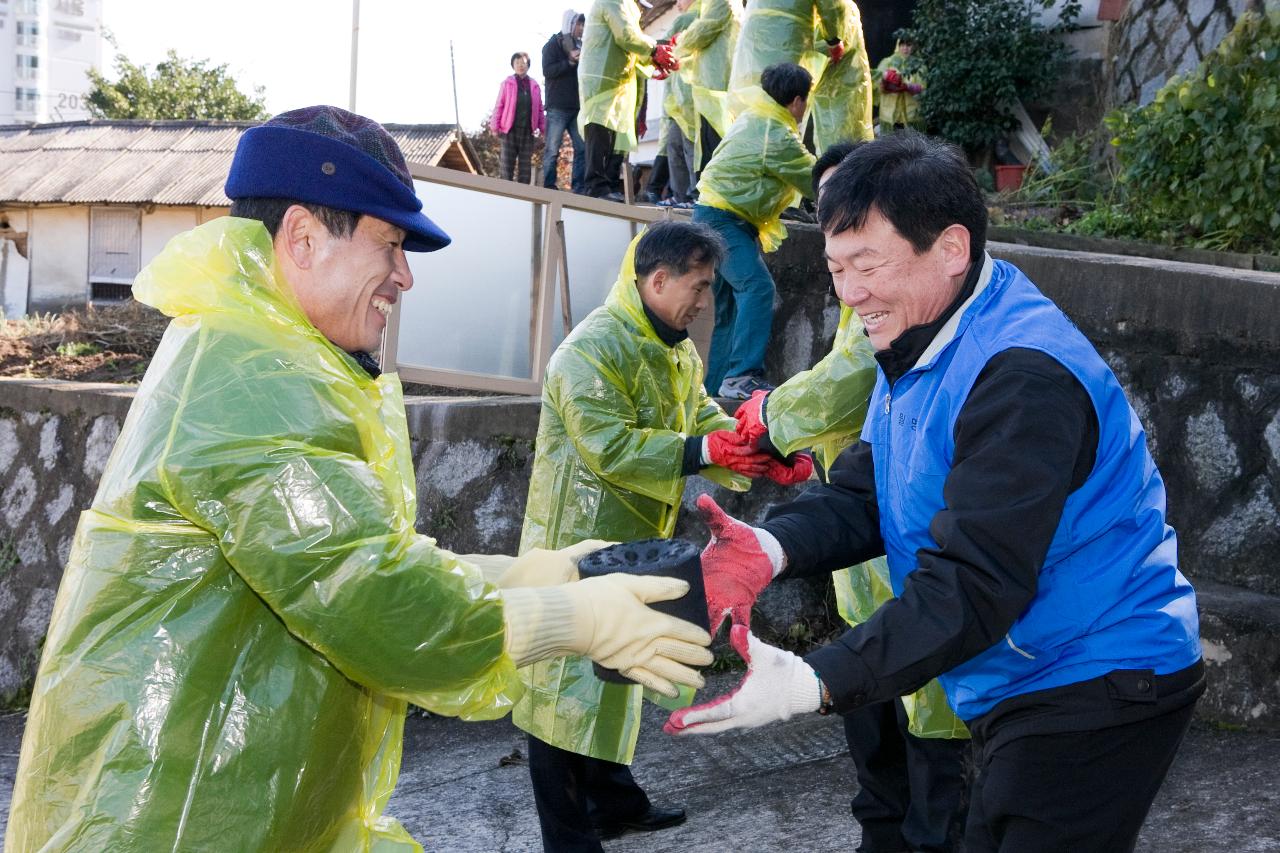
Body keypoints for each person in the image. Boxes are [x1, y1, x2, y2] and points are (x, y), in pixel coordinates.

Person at [4, 106, 714, 852]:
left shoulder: (258, 350)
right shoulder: (251, 376)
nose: (404, 276)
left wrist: (526, 573)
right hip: (175, 820)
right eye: (390, 245)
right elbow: (366, 592)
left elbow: (346, 555)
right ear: (304, 238)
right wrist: (572, 618)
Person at [667, 131, 1205, 853]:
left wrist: (811, 681)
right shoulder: (924, 330)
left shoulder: (1021, 377)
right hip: (1025, 671)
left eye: (868, 264)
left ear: (951, 247)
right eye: (835, 267)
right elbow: (870, 490)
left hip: (1101, 676)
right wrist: (768, 546)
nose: (850, 292)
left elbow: (974, 581)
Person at [515, 221, 808, 852]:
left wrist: (754, 450)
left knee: (618, 671)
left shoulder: (675, 347)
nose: (705, 302)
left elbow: (699, 418)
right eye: (700, 287)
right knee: (561, 693)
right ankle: (568, 840)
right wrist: (709, 446)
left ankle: (614, 805)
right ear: (658, 279)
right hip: (574, 541)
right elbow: (609, 447)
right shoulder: (588, 350)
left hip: (634, 541)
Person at [728, 142, 970, 853]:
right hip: (866, 563)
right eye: (837, 254)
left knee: (933, 749)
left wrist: (768, 417)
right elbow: (859, 438)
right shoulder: (871, 305)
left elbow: (846, 381)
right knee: (879, 737)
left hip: (920, 575)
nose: (851, 277)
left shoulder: (944, 327)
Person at [693, 62, 816, 399]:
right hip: (723, 220)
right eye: (806, 100)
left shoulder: (754, 117)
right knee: (757, 287)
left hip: (712, 214)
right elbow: (812, 177)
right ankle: (741, 376)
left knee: (730, 306)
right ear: (795, 101)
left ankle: (716, 386)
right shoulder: (775, 132)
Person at [579, 0, 678, 199]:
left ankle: (608, 184)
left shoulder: (625, 5)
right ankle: (596, 185)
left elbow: (630, 49)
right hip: (603, 77)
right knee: (600, 128)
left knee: (613, 132)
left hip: (615, 79)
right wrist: (654, 50)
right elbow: (626, 36)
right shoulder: (614, 2)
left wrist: (652, 62)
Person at [672, 0, 741, 174]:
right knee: (710, 145)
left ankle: (713, 198)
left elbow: (703, 30)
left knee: (714, 146)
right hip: (711, 85)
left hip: (715, 85)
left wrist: (678, 42)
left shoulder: (720, 2)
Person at [729, 0, 846, 101]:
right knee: (785, 95)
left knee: (752, 97)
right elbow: (831, 7)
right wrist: (833, 41)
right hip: (787, 35)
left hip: (752, 33)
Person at [810, 0, 874, 155]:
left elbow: (838, 44)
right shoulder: (832, 9)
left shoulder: (841, 7)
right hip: (834, 87)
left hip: (841, 88)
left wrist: (803, 44)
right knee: (838, 143)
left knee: (841, 145)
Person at [542, 10, 588, 193]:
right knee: (552, 149)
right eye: (579, 24)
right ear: (570, 24)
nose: (581, 29)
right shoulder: (552, 45)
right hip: (557, 107)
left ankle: (578, 186)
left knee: (582, 148)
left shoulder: (582, 46)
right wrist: (569, 62)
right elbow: (548, 71)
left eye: (583, 25)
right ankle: (549, 186)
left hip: (577, 106)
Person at [493, 51, 546, 184]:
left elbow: (539, 108)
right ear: (513, 65)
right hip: (509, 131)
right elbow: (499, 104)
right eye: (517, 63)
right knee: (506, 168)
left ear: (528, 65)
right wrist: (495, 126)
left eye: (523, 62)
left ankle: (523, 200)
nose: (520, 65)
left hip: (527, 132)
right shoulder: (507, 83)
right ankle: (504, 197)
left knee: (525, 170)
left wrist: (544, 129)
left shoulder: (534, 85)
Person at [874, 38, 926, 133]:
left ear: (914, 47)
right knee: (888, 144)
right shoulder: (887, 62)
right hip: (889, 114)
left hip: (912, 114)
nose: (905, 48)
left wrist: (907, 87)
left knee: (914, 144)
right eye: (902, 45)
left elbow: (923, 88)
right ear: (898, 46)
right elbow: (877, 84)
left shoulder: (919, 65)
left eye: (909, 45)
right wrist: (886, 82)